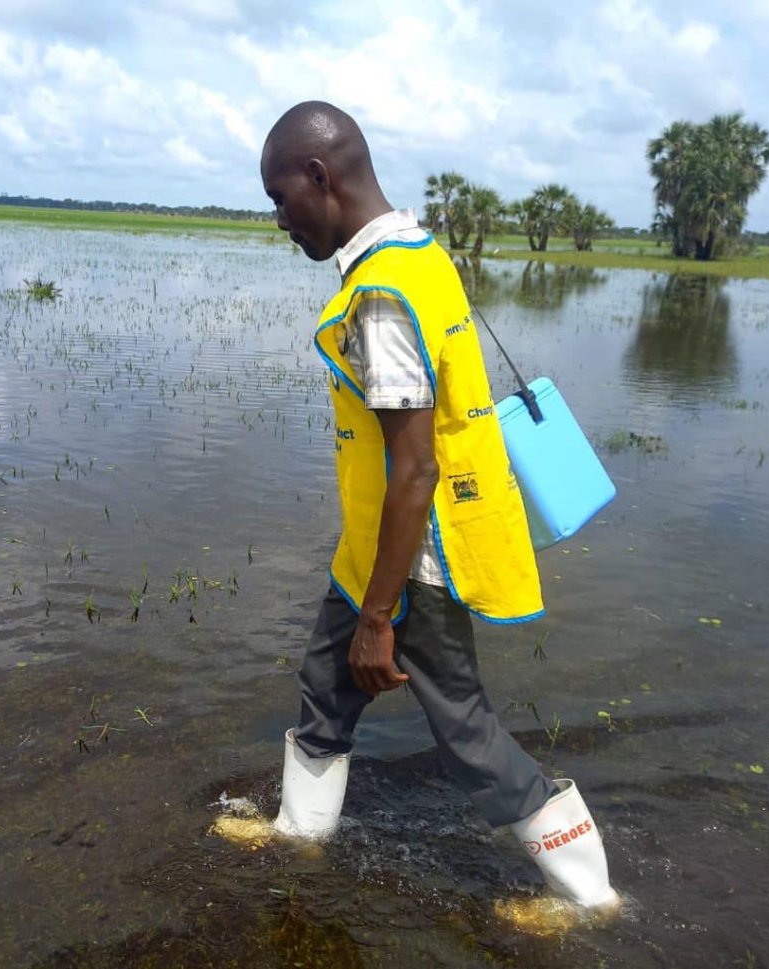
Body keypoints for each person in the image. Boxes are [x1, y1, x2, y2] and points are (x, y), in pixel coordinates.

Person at [259, 101, 617, 910]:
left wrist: (381, 614)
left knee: (463, 726)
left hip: (418, 556)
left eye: (282, 199)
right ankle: (297, 838)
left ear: (320, 178)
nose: (279, 221)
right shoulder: (418, 252)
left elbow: (414, 467)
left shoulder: (381, 296)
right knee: (326, 677)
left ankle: (588, 893)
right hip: (374, 548)